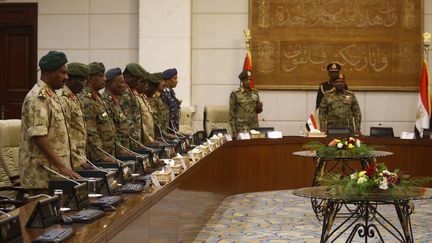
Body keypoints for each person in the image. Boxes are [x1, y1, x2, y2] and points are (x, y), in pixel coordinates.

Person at [19, 51, 81, 190]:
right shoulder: (38, 97)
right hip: (42, 176)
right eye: (62, 73)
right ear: (49, 73)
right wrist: (61, 167)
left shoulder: (53, 95)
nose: (66, 77)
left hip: (56, 174)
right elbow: (39, 136)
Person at [58, 62, 91, 169]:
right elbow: (66, 134)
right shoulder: (63, 99)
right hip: (72, 159)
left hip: (79, 157)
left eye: (85, 81)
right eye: (82, 81)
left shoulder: (73, 97)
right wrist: (80, 161)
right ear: (70, 80)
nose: (84, 85)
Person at [101, 68, 133, 151]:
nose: (124, 85)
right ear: (111, 84)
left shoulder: (115, 101)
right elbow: (110, 130)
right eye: (121, 82)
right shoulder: (105, 102)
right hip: (114, 151)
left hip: (123, 149)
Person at [229, 70, 263, 138]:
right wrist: (233, 130)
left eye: (250, 79)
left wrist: (259, 108)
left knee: (255, 146)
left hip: (254, 126)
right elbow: (231, 113)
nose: (249, 81)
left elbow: (258, 111)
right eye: (246, 79)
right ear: (242, 80)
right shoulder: (236, 94)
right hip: (241, 127)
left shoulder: (255, 92)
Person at [121, 63, 146, 149]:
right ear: (127, 76)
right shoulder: (124, 93)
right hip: (129, 143)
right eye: (136, 80)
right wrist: (136, 143)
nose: (138, 83)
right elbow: (128, 121)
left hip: (134, 141)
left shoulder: (130, 92)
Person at [146, 72, 176, 140]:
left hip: (163, 134)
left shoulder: (160, 97)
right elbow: (155, 121)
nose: (164, 83)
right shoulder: (152, 98)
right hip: (157, 136)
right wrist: (164, 135)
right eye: (161, 81)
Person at [161, 68, 181, 132]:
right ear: (167, 80)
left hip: (173, 128)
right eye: (174, 78)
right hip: (168, 129)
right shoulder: (164, 93)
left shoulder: (171, 92)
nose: (177, 81)